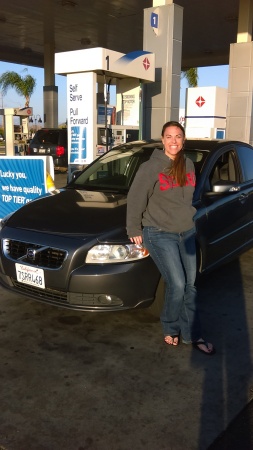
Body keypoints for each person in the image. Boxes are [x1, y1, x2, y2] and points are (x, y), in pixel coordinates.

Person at [126, 120, 215, 355]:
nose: (173, 141)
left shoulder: (188, 164)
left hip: (186, 231)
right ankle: (170, 327)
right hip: (158, 232)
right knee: (176, 283)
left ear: (183, 140)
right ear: (162, 140)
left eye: (178, 136)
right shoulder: (150, 167)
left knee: (190, 285)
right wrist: (133, 229)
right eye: (169, 136)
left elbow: (186, 199)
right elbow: (136, 198)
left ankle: (192, 335)